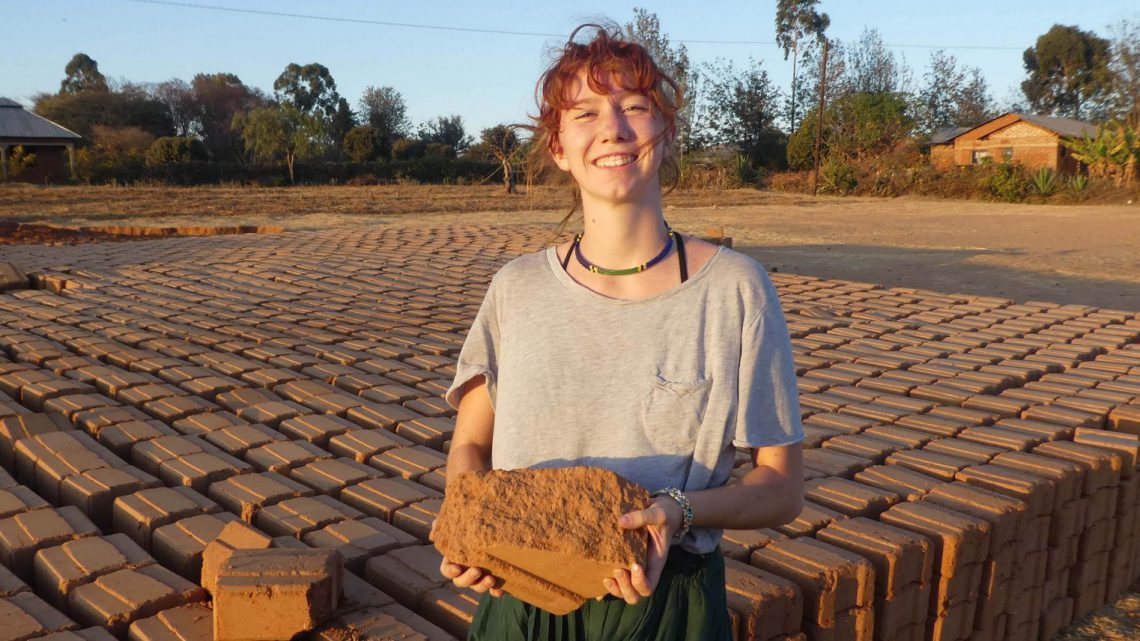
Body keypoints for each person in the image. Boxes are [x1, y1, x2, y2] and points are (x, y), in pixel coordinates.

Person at [435, 23, 805, 641]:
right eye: (584, 113)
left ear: (666, 133)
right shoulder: (516, 289)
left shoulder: (734, 289)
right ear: (558, 146)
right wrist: (469, 526)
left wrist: (679, 513)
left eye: (635, 106)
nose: (612, 127)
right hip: (519, 599)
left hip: (666, 604)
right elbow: (470, 449)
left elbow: (782, 486)